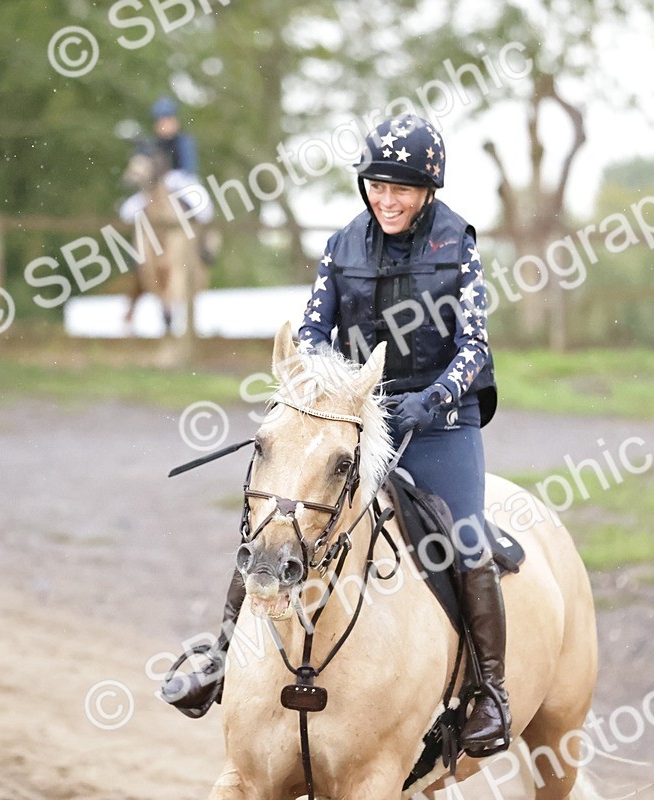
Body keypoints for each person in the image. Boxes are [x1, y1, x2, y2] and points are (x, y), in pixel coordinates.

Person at [161, 114, 508, 757]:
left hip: (439, 421)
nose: (387, 198)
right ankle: (221, 655)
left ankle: (491, 692)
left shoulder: (457, 244)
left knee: (465, 537)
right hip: (354, 413)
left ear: (428, 190)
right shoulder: (341, 245)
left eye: (401, 188)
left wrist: (431, 399)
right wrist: (330, 387)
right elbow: (314, 330)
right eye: (376, 184)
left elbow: (475, 346)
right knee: (278, 510)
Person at [119, 96, 215, 230]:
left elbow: (188, 168)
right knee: (127, 211)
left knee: (204, 209)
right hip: (157, 187)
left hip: (183, 182)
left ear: (175, 121)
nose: (164, 125)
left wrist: (172, 177)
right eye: (161, 121)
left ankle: (205, 241)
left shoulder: (184, 141)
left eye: (167, 120)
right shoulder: (153, 144)